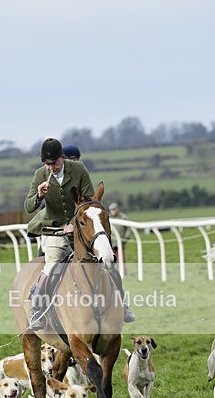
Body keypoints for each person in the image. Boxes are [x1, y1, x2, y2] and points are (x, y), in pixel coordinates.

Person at [24, 138, 135, 329]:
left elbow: (90, 202)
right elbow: (28, 207)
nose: (51, 168)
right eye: (47, 164)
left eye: (55, 163)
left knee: (106, 259)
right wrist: (39, 195)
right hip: (55, 229)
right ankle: (37, 310)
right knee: (51, 265)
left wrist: (74, 226)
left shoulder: (79, 169)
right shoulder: (39, 175)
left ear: (63, 158)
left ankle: (122, 305)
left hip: (82, 227)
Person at [108, 201, 132, 268]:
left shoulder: (123, 217)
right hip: (111, 242)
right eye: (111, 210)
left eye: (114, 209)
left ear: (117, 209)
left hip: (121, 242)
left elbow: (128, 228)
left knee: (122, 258)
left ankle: (123, 271)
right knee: (112, 259)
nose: (113, 211)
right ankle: (113, 271)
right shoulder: (108, 218)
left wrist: (126, 237)